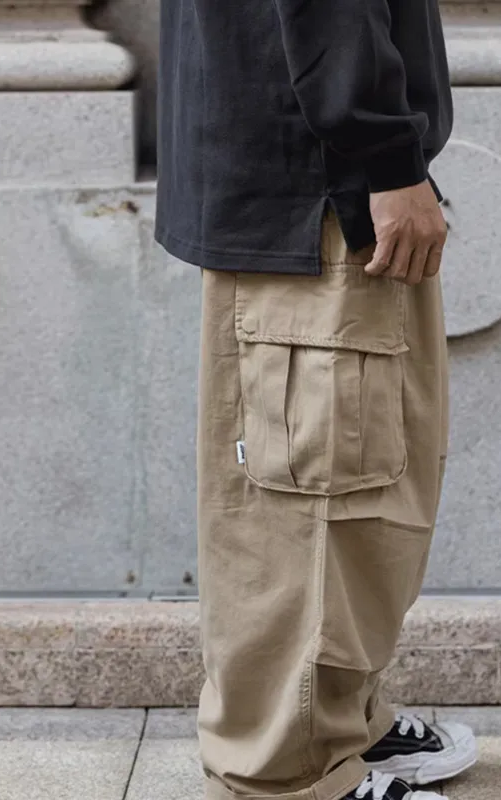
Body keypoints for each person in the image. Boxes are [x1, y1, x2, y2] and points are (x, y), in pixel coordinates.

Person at [156, 2, 478, 799]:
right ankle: (286, 774)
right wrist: (388, 160)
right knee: (310, 503)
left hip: (316, 176)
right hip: (319, 187)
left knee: (356, 492)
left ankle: (336, 727)